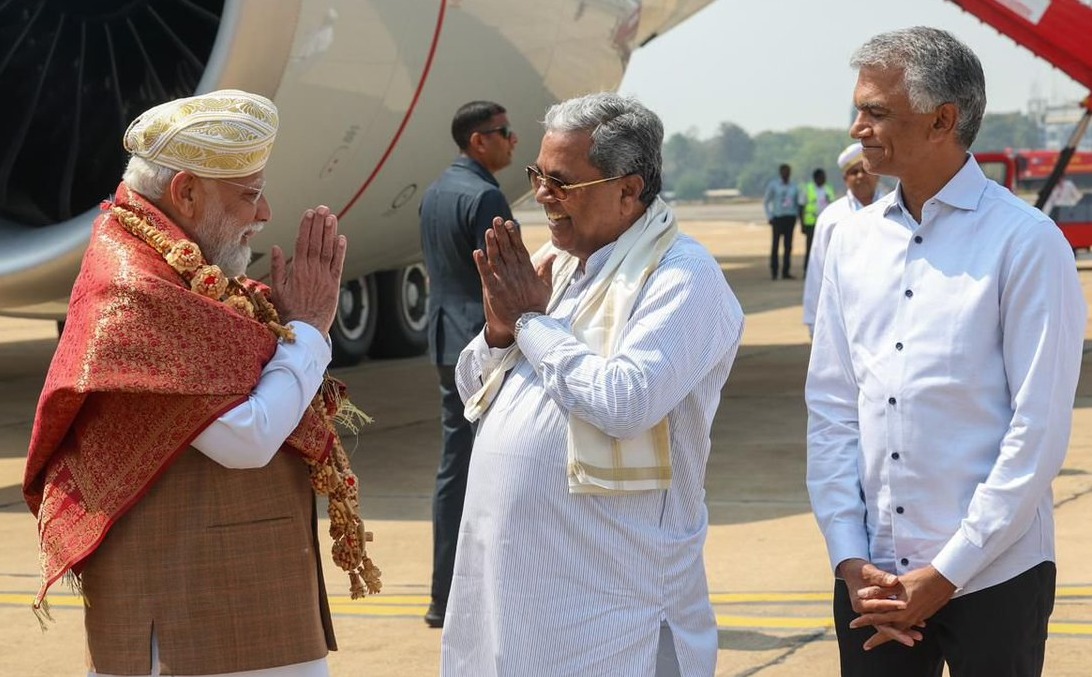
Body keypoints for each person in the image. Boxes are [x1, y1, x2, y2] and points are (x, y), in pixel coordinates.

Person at [23, 89, 380, 677]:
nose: (263, 215)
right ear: (186, 192)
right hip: (194, 618)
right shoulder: (137, 288)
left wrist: (282, 330)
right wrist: (309, 333)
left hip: (230, 599)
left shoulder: (177, 272)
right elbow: (247, 439)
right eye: (249, 195)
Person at [806, 27, 1086, 677]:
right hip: (872, 576)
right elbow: (832, 407)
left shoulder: (1025, 243)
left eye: (877, 111)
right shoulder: (851, 243)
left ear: (942, 120)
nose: (859, 127)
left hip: (995, 575)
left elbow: (1037, 431)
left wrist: (948, 570)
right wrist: (848, 553)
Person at [440, 92, 744, 676]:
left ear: (628, 190)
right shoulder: (561, 265)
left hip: (608, 609)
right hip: (517, 600)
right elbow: (474, 394)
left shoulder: (682, 277)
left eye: (562, 183)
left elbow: (625, 401)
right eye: (538, 176)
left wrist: (531, 323)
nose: (542, 197)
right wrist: (501, 331)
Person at [419, 100, 518, 628]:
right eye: (504, 132)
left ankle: (443, 595)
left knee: (455, 466)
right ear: (478, 141)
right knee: (485, 467)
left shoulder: (437, 191)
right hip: (478, 346)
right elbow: (500, 279)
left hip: (442, 337)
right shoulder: (484, 195)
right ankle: (458, 596)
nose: (513, 140)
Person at [801, 143, 885, 336]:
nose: (860, 176)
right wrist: (813, 321)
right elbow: (817, 270)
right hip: (845, 314)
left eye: (865, 170)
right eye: (853, 172)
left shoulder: (897, 209)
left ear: (877, 173)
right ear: (845, 179)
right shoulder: (831, 218)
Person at [763, 163, 799, 279]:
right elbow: (766, 201)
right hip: (778, 218)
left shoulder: (794, 186)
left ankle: (785, 271)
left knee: (788, 246)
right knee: (775, 245)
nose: (786, 174)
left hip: (790, 217)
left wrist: (797, 216)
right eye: (784, 172)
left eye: (788, 172)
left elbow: (797, 202)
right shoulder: (774, 186)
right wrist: (769, 216)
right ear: (780, 173)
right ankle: (774, 271)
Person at [799, 167, 836, 277]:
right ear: (816, 178)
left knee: (826, 247)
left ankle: (824, 271)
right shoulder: (808, 189)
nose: (824, 179)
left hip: (826, 223)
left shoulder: (828, 189)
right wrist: (802, 224)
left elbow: (833, 205)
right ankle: (807, 270)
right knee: (810, 248)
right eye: (822, 177)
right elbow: (801, 207)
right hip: (811, 223)